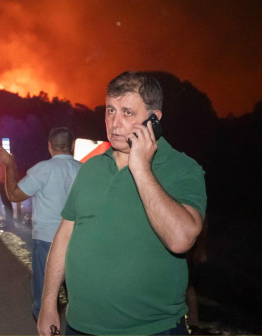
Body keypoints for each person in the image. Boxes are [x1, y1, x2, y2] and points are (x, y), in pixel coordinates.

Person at [37, 72, 207, 336]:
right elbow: (65, 235)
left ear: (154, 120)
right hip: (79, 326)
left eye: (127, 112)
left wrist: (141, 168)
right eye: (110, 110)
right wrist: (48, 304)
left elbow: (181, 240)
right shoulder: (91, 168)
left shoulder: (183, 169)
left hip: (151, 330)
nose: (114, 124)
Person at [0, 127, 82, 320]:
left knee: (45, 301)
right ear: (73, 146)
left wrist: (10, 165)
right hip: (77, 240)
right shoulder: (84, 170)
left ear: (50, 146)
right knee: (77, 298)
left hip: (47, 241)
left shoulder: (42, 169)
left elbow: (14, 195)